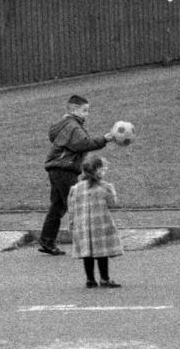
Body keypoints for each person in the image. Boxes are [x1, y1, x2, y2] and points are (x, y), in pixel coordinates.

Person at [39, 95, 114, 255]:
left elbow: (54, 136)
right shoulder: (73, 126)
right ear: (74, 110)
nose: (87, 114)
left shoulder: (64, 124)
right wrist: (105, 139)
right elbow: (84, 144)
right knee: (79, 205)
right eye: (85, 110)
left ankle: (47, 241)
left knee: (58, 206)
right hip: (64, 170)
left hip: (55, 169)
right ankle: (87, 244)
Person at [68, 154, 124, 288]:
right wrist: (112, 189)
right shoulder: (104, 187)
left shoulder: (75, 188)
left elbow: (71, 208)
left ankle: (90, 279)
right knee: (102, 253)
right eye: (103, 169)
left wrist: (72, 224)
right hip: (101, 226)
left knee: (87, 254)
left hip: (83, 227)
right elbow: (113, 204)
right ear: (97, 171)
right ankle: (104, 279)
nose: (105, 171)